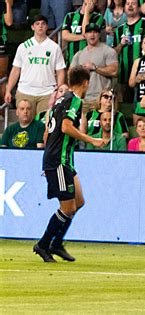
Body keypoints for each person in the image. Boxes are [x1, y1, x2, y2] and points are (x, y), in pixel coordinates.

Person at [33, 66, 106, 263]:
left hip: (63, 159)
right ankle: (44, 244)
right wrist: (91, 140)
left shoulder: (60, 99)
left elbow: (48, 131)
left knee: (78, 202)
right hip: (59, 160)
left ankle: (56, 244)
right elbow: (66, 127)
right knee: (67, 208)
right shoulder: (74, 99)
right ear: (85, 83)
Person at [5, 15, 66, 115]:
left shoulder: (54, 47)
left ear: (46, 27)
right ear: (32, 27)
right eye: (37, 24)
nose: (40, 26)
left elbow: (60, 71)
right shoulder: (23, 46)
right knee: (26, 126)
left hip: (47, 93)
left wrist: (58, 90)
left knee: (44, 126)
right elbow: (15, 70)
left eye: (43, 24)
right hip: (25, 91)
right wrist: (8, 90)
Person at [113, 0, 145, 104]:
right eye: (127, 3)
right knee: (124, 107)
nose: (130, 6)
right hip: (124, 76)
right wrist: (121, 44)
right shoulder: (119, 30)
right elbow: (113, 53)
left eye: (133, 3)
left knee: (143, 106)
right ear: (124, 7)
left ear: (139, 7)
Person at [71, 22, 118, 110]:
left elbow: (114, 71)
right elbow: (71, 75)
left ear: (99, 34)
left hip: (101, 100)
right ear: (85, 35)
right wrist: (81, 70)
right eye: (89, 32)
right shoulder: (79, 54)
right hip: (83, 100)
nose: (92, 35)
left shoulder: (108, 51)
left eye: (95, 32)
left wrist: (95, 67)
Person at [62, 0, 105, 67]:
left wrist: (86, 11)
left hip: (89, 61)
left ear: (95, 3)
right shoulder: (70, 16)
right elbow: (65, 36)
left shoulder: (98, 17)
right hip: (71, 60)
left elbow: (85, 31)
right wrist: (82, 37)